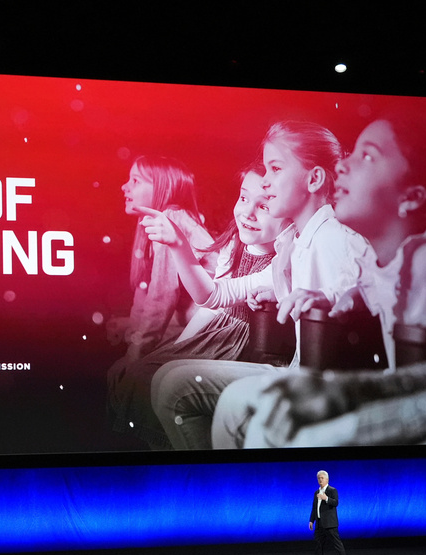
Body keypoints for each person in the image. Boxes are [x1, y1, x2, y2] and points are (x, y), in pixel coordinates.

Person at [227, 101, 426, 447]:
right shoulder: (383, 265)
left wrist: (353, 423)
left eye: (368, 156)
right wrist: (343, 303)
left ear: (412, 197)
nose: (342, 165)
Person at [148, 121, 371, 450]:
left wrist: (335, 297)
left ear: (314, 179)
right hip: (297, 370)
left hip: (319, 381)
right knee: (165, 377)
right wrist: (279, 293)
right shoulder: (293, 245)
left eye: (275, 169)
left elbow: (371, 292)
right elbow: (216, 295)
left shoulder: (334, 236)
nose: (265, 181)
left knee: (176, 388)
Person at [107, 165, 281, 449]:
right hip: (214, 330)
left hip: (244, 343)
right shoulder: (234, 243)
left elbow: (183, 295)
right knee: (143, 372)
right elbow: (208, 310)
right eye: (243, 198)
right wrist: (178, 348)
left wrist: (178, 243)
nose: (248, 213)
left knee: (145, 377)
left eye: (264, 205)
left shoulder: (282, 261)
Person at [106, 155, 216, 367]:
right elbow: (146, 293)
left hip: (210, 332)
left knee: (128, 372)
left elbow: (163, 294)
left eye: (135, 180)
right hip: (193, 328)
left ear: (163, 188)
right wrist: (133, 332)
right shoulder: (152, 226)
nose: (124, 187)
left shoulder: (171, 220)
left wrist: (135, 352)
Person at [308, 470, 347, 555]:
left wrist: (326, 498)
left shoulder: (332, 490)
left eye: (322, 478)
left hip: (330, 524)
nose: (320, 480)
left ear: (327, 479)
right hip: (319, 524)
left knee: (337, 545)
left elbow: (336, 503)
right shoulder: (316, 492)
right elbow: (314, 508)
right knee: (318, 546)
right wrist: (311, 520)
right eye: (319, 478)